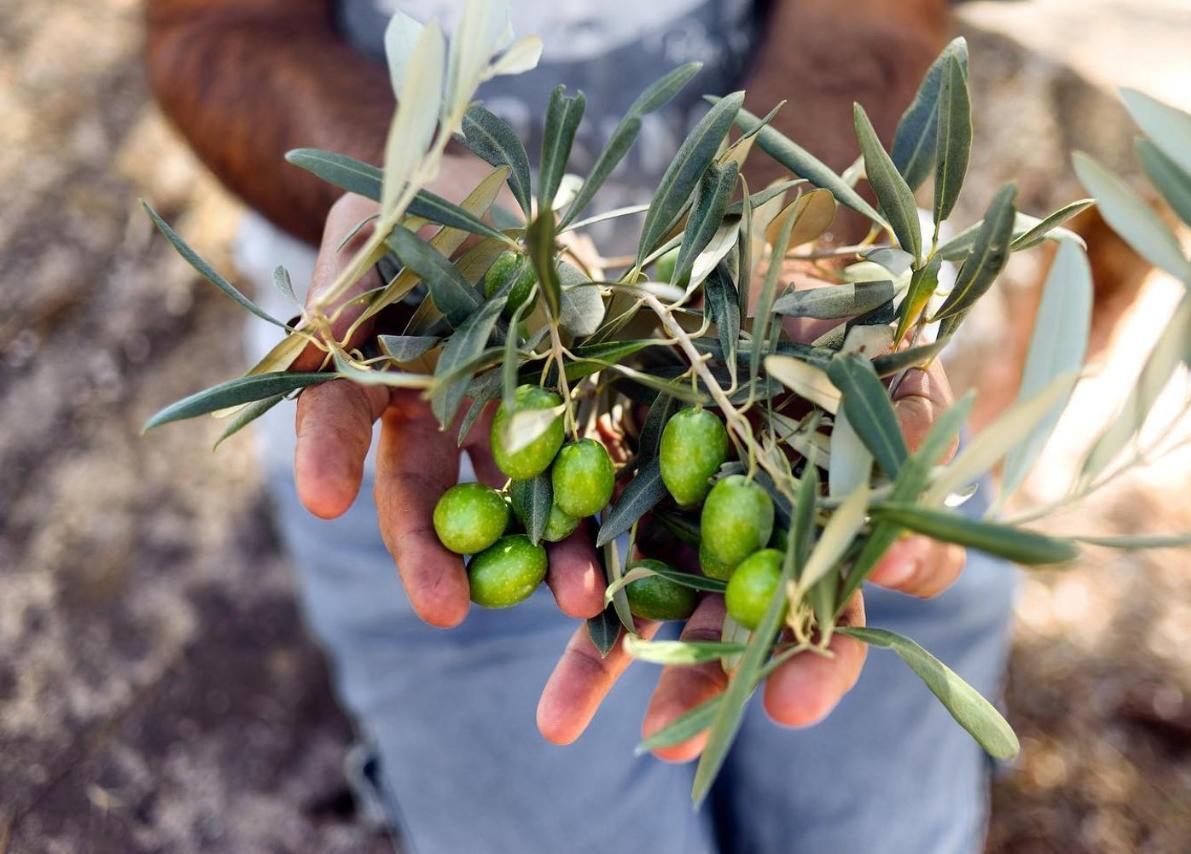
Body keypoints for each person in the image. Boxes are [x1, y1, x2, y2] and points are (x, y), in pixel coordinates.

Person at [144, 2, 1016, 852]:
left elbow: (871, 17)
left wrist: (793, 237)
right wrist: (409, 195)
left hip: (820, 406)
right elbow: (216, 29)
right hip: (434, 418)